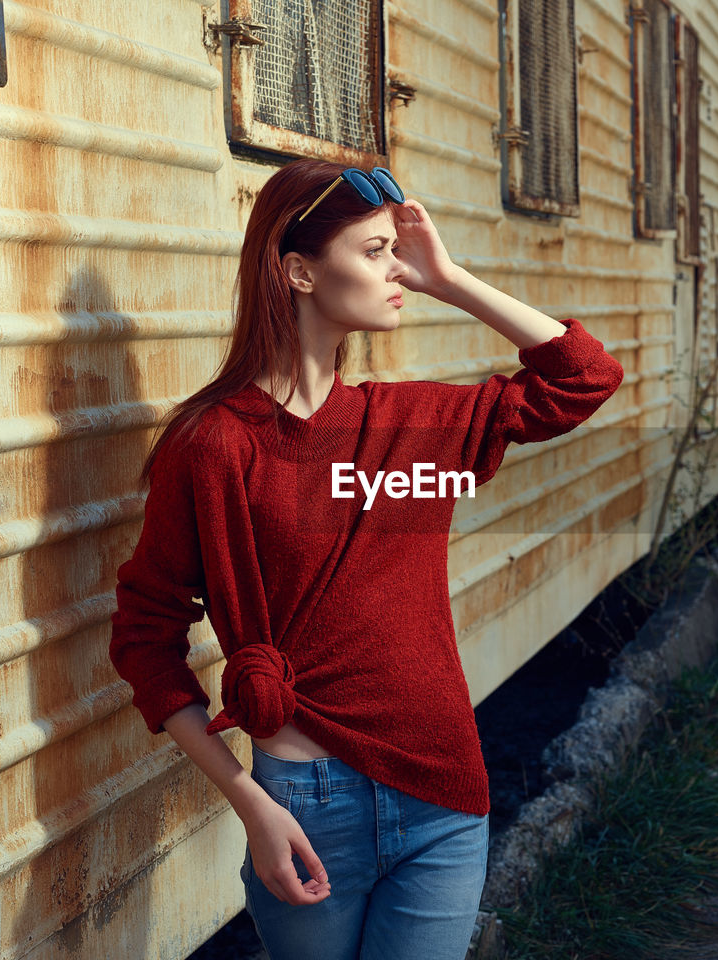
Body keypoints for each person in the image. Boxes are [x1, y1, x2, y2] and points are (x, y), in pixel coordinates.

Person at [108, 158, 624, 960]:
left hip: (443, 795)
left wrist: (449, 278)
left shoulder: (415, 421)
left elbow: (583, 378)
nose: (398, 272)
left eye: (397, 253)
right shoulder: (213, 445)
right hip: (304, 805)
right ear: (300, 270)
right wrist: (249, 802)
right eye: (376, 251)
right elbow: (146, 635)